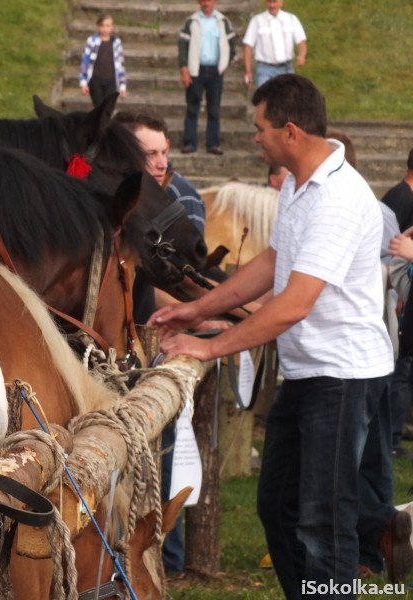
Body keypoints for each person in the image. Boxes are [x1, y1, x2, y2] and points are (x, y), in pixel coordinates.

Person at [148, 74, 399, 598]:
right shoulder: (296, 185)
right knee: (279, 508)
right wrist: (197, 308)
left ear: (290, 131)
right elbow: (274, 263)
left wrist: (211, 344)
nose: (254, 137)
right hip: (311, 372)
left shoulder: (337, 196)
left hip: (342, 376)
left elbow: (293, 303)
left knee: (322, 520)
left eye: (260, 128)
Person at [114, 108, 206, 573]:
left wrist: (202, 315)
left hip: (149, 354)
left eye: (165, 153)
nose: (159, 162)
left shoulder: (173, 203)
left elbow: (178, 280)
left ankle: (160, 558)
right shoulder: (119, 212)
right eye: (149, 153)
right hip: (119, 359)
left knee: (159, 460)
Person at [178, 0, 236, 156]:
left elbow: (232, 44)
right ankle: (190, 142)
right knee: (192, 107)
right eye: (203, 0)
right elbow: (182, 46)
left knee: (214, 109)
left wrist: (225, 63)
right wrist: (184, 68)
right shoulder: (191, 21)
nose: (206, 3)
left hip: (215, 71)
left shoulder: (223, 21)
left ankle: (213, 144)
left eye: (209, 0)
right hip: (196, 70)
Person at [383, 149, 413, 454]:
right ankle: (390, 439)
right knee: (400, 373)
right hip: (400, 306)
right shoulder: (400, 198)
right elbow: (390, 253)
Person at [243, 0, 307, 89]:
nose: (272, 5)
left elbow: (301, 42)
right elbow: (248, 46)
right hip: (265, 69)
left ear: (281, 2)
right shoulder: (257, 21)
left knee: (287, 99)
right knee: (265, 99)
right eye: (269, 2)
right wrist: (248, 71)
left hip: (286, 68)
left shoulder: (291, 19)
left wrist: (302, 56)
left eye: (275, 2)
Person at [79, 14, 127, 108]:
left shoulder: (116, 42)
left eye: (108, 26)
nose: (105, 29)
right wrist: (83, 82)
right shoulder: (91, 41)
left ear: (112, 27)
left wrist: (122, 86)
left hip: (111, 81)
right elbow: (85, 62)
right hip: (95, 80)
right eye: (102, 26)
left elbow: (120, 64)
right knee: (99, 108)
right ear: (98, 27)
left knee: (108, 108)